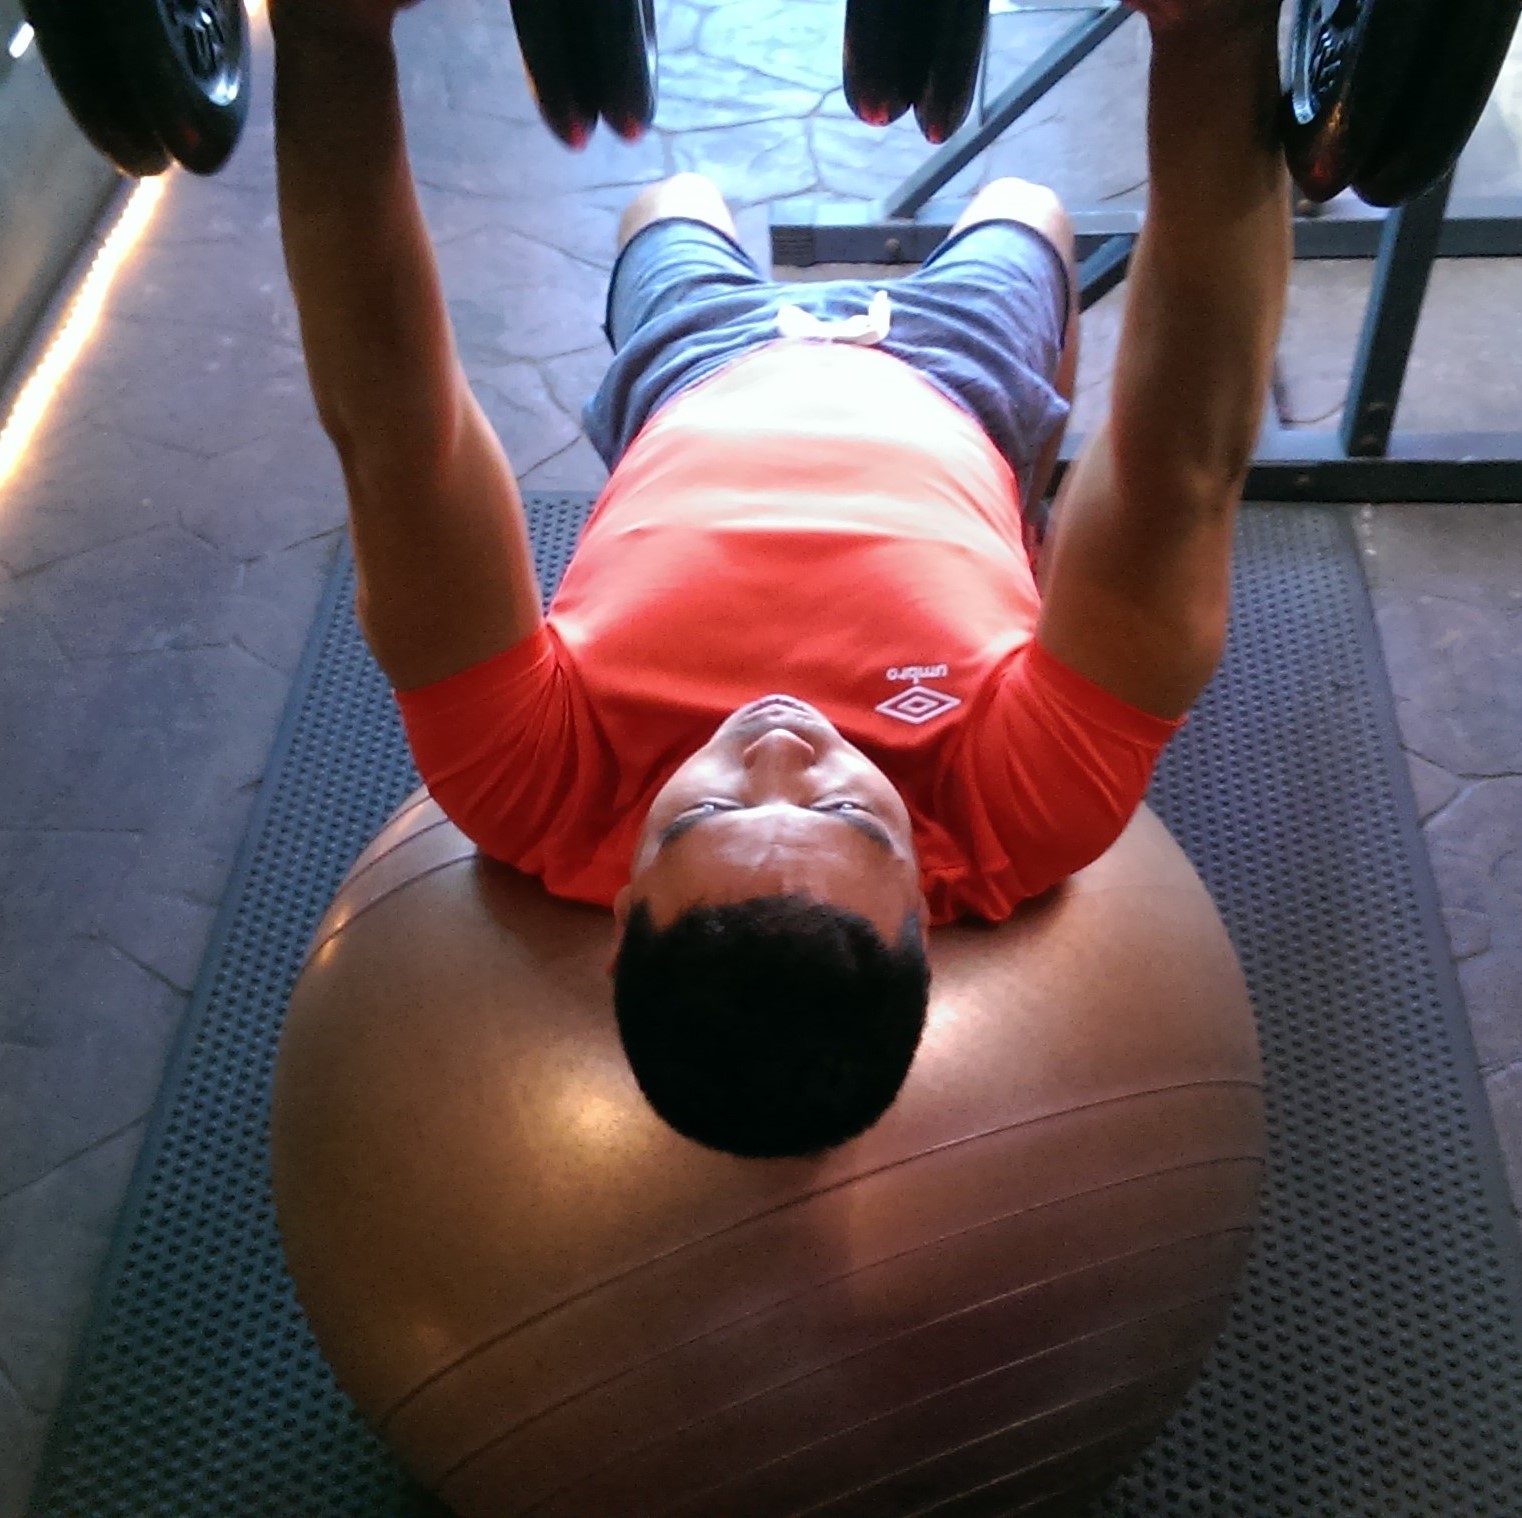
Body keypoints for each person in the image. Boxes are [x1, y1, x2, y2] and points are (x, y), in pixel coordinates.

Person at [270, 0, 1290, 1157]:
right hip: (954, 381)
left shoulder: (529, 788)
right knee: (1027, 208)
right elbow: (1183, 466)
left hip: (700, 368)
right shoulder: (1022, 815)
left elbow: (396, 437)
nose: (777, 742)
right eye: (850, 811)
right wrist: (1211, 42)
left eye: (702, 809)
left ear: (619, 912)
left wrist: (330, 41)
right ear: (926, 908)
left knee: (670, 197)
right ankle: (1025, 504)